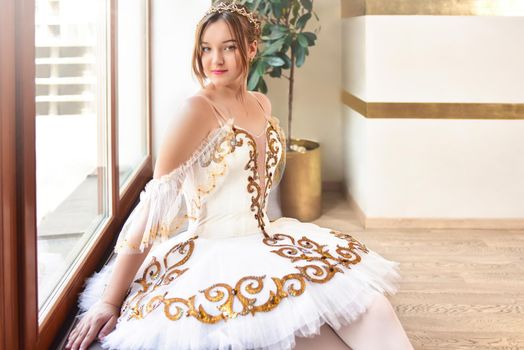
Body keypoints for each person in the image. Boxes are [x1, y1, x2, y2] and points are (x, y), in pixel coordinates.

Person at [66, 2, 414, 350]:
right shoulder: (197, 111)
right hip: (215, 256)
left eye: (228, 47)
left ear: (251, 48)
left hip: (269, 239)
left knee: (375, 310)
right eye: (206, 49)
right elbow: (153, 207)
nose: (214, 60)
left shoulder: (261, 103)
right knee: (315, 341)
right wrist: (110, 302)